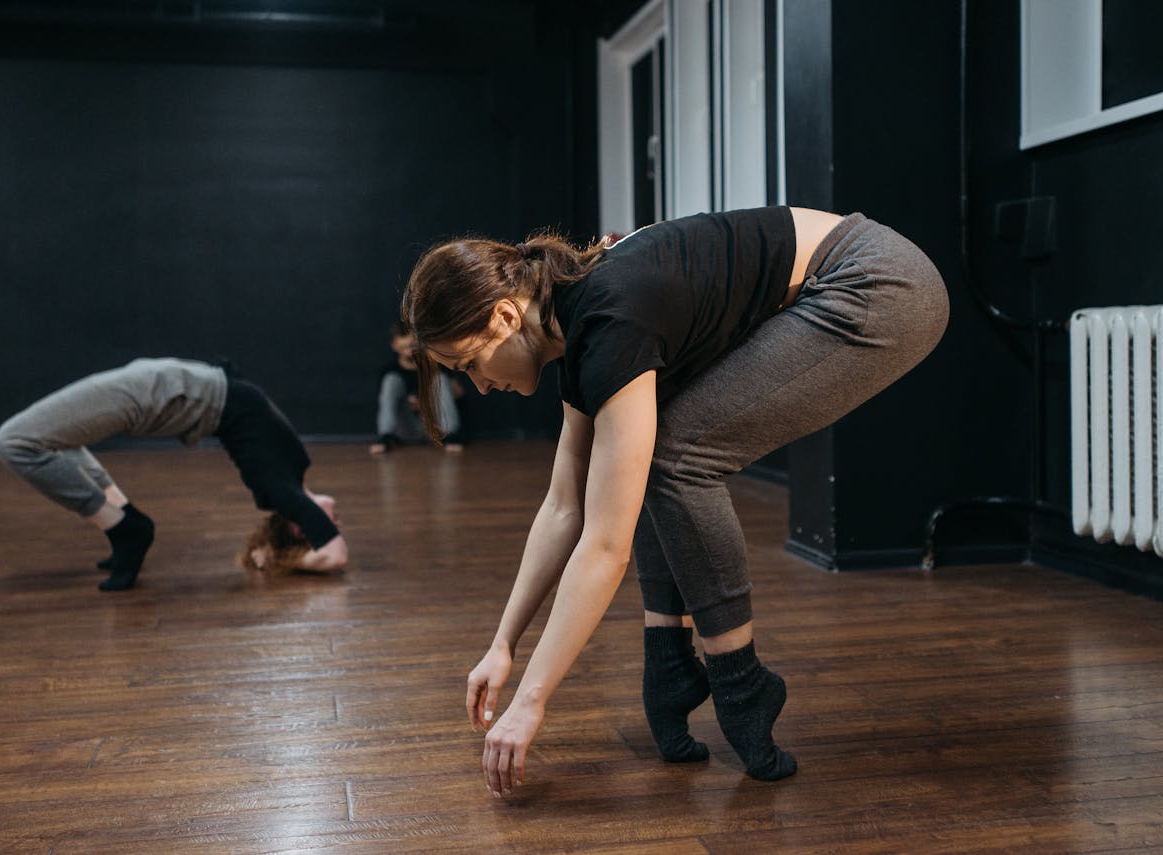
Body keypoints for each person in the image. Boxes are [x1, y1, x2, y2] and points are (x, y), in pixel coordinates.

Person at [400, 206, 948, 795]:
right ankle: (670, 668)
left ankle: (740, 683)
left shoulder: (611, 319)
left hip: (878, 281)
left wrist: (532, 700)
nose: (480, 386)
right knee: (645, 448)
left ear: (506, 315)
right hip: (837, 280)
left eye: (471, 364)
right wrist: (502, 645)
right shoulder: (575, 322)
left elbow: (606, 546)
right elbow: (564, 505)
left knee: (678, 456)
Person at [0, 357, 349, 590]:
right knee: (48, 438)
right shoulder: (295, 469)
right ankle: (125, 522)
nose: (334, 521)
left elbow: (335, 556)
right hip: (172, 384)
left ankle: (122, 526)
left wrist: (277, 559)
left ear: (298, 526)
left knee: (14, 441)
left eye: (321, 524)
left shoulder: (282, 491)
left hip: (165, 392)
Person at [369, 321, 464, 455]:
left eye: (414, 339)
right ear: (394, 345)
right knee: (391, 380)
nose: (410, 341)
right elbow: (385, 403)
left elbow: (459, 393)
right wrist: (409, 402)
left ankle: (452, 436)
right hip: (407, 428)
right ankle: (385, 437)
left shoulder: (436, 365)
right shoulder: (389, 371)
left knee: (440, 378)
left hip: (437, 428)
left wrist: (428, 402)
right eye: (404, 337)